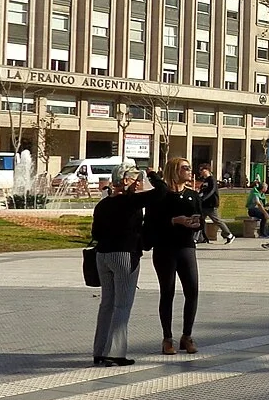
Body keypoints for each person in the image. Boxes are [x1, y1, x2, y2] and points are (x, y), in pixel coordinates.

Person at [91, 161, 167, 366]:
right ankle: (115, 352)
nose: (138, 183)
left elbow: (95, 233)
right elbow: (161, 192)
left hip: (102, 256)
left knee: (107, 303)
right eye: (135, 179)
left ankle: (99, 350)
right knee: (122, 304)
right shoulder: (129, 202)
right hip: (124, 255)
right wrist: (153, 174)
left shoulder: (103, 204)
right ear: (125, 180)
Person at [146, 157, 205, 355]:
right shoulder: (160, 196)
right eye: (185, 168)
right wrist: (173, 221)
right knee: (168, 291)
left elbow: (200, 218)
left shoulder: (193, 195)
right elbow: (151, 223)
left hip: (186, 246)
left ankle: (187, 335)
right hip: (165, 248)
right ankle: (167, 337)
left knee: (192, 290)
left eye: (189, 167)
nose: (189, 171)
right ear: (174, 171)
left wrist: (197, 223)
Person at [198, 165, 234, 245]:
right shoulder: (205, 181)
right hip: (204, 205)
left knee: (217, 220)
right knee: (200, 220)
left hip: (211, 204)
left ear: (207, 170)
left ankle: (229, 235)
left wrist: (204, 198)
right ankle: (202, 237)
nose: (200, 172)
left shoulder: (212, 180)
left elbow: (212, 191)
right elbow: (202, 191)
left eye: (202, 170)